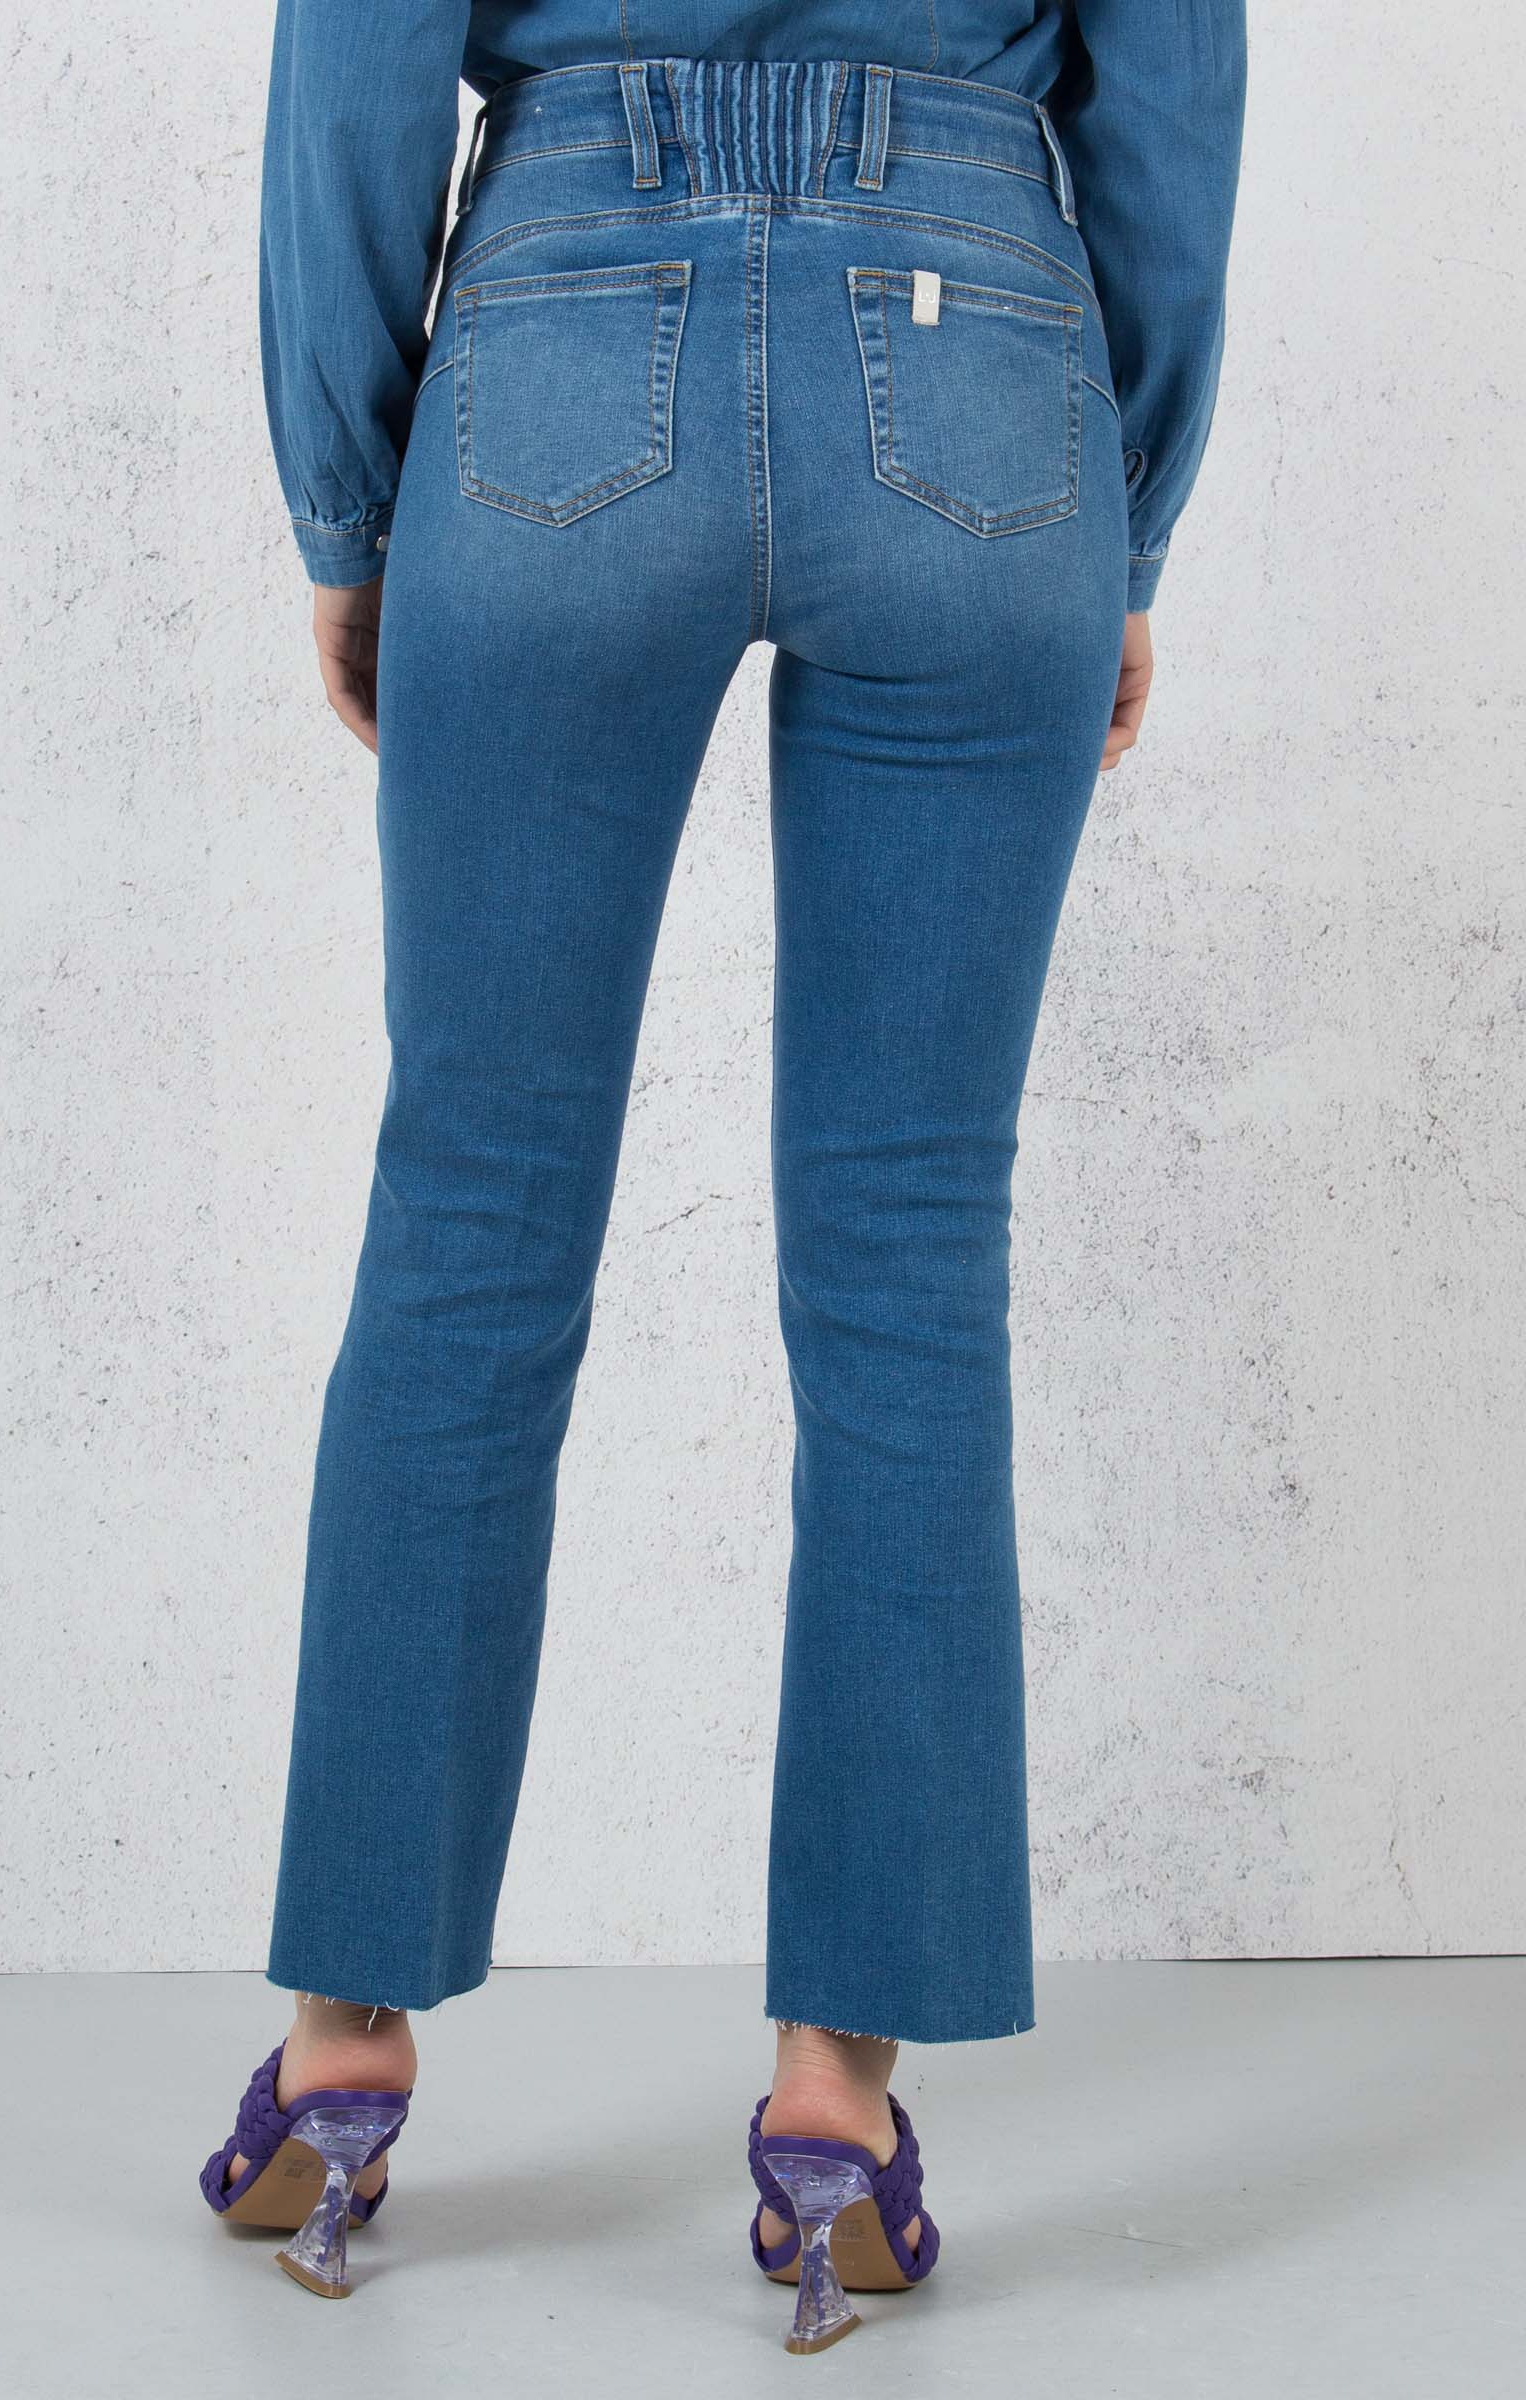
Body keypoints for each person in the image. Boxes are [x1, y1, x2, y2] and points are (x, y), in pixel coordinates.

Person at [200, 0, 1245, 2352]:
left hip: (563, 341)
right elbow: (1169, 89)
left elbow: (356, 64)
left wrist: (351, 504)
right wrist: (1123, 503)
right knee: (906, 1251)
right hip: (980, 360)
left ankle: (343, 2050)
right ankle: (831, 2106)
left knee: (469, 1221)